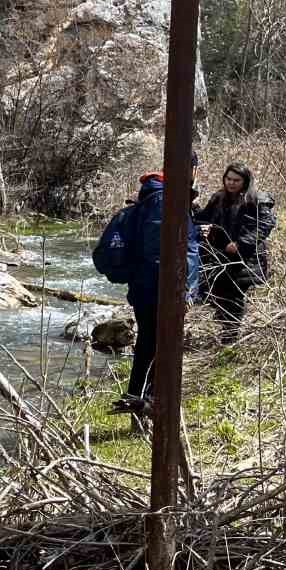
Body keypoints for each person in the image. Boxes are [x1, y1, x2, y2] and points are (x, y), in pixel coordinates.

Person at [112, 167, 201, 415]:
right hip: (160, 292)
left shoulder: (147, 201)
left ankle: (136, 399)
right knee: (160, 347)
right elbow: (174, 252)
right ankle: (149, 404)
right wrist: (184, 291)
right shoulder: (165, 201)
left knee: (147, 343)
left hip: (143, 289)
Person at [194, 162, 276, 344]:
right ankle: (226, 330)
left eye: (236, 180)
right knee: (217, 293)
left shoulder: (256, 200)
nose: (231, 183)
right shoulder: (219, 198)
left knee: (235, 297)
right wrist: (193, 210)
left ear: (245, 181)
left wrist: (241, 244)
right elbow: (205, 217)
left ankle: (230, 337)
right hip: (220, 255)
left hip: (245, 259)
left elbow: (264, 226)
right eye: (228, 179)